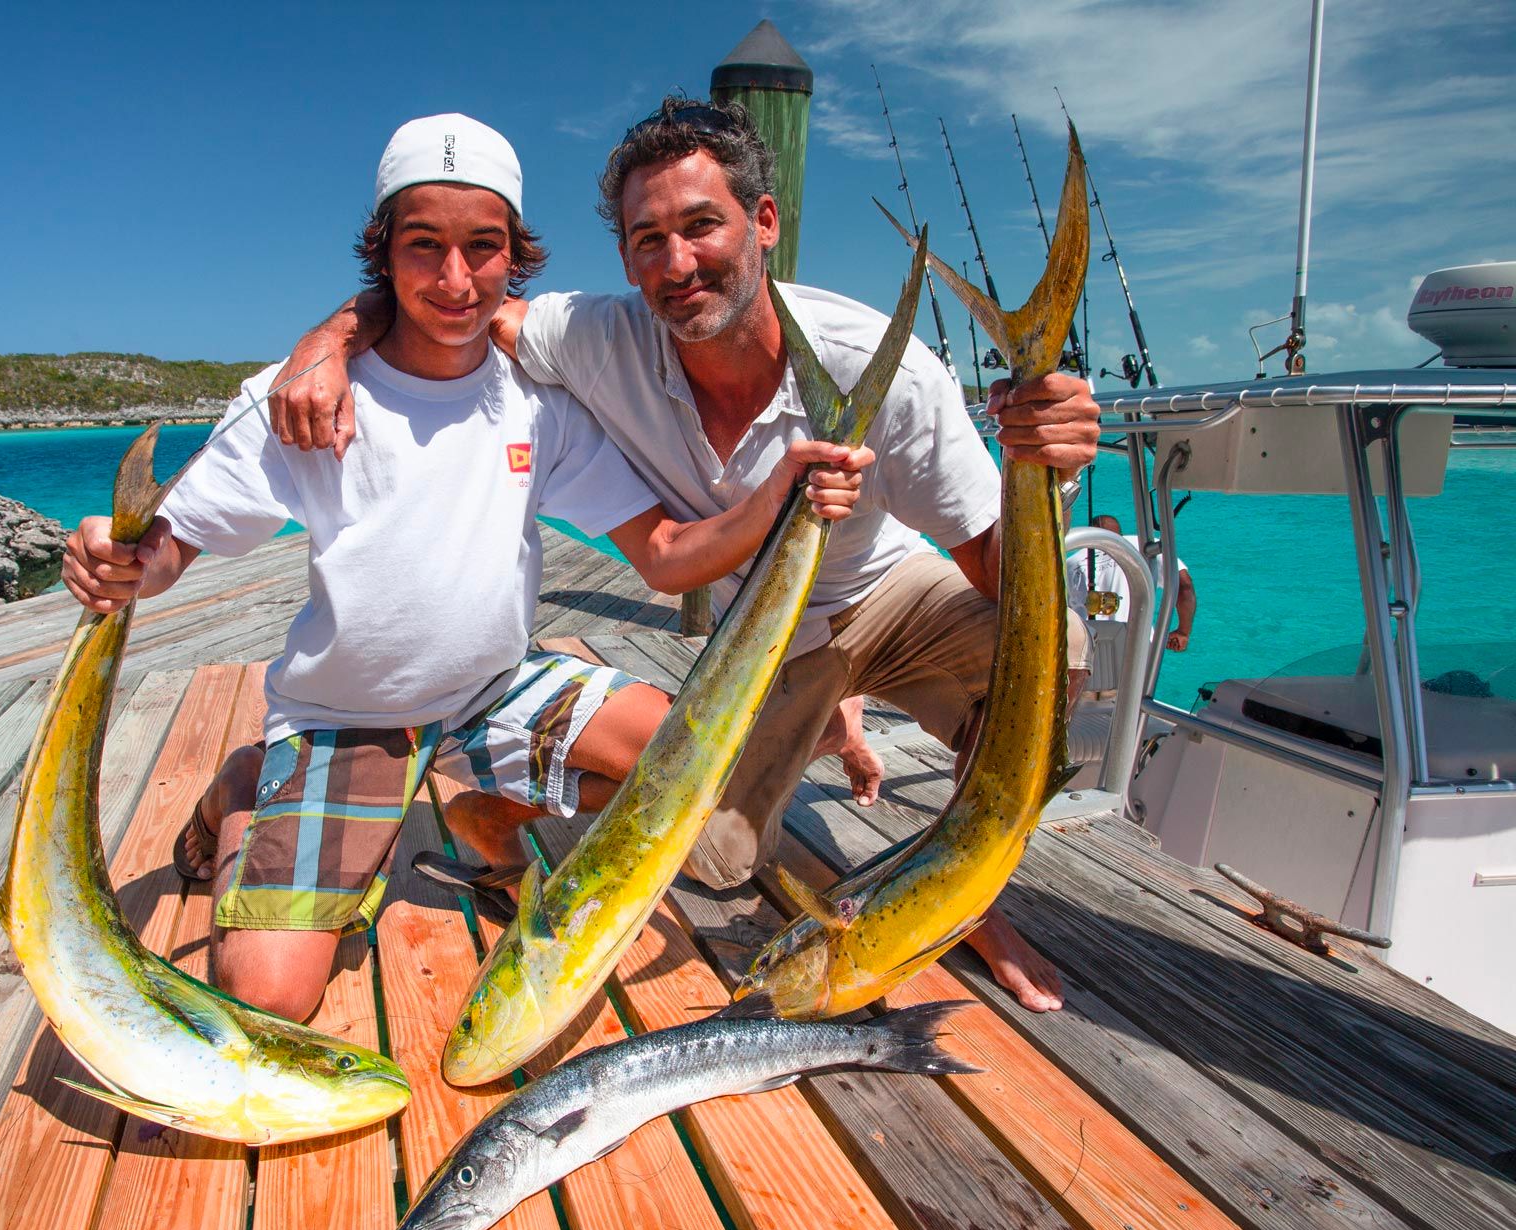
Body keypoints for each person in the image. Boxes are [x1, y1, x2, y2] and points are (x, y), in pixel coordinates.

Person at [270, 98, 1104, 1013]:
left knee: (1053, 648)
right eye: (647, 238)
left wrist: (1043, 468)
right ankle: (497, 807)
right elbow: (451, 293)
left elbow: (1002, 582)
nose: (677, 264)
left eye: (702, 225)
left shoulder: (886, 365)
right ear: (624, 256)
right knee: (713, 860)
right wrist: (326, 344)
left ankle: (965, 887)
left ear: (764, 222)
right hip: (773, 631)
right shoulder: (594, 338)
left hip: (887, 587)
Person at [60, 113, 872, 1023]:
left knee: (704, 767)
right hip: (347, 720)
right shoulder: (301, 400)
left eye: (483, 248)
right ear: (385, 255)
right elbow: (176, 542)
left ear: (514, 257)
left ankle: (487, 813)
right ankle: (251, 784)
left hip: (494, 690)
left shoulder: (538, 399)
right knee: (269, 1000)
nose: (454, 279)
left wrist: (774, 496)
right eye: (424, 247)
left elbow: (668, 556)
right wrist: (125, 558)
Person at [1067, 513, 1197, 651]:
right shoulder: (1145, 548)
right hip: (1136, 645)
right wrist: (1183, 631)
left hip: (1085, 647)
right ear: (1121, 535)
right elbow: (1185, 587)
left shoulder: (1071, 562)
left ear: (1089, 535)